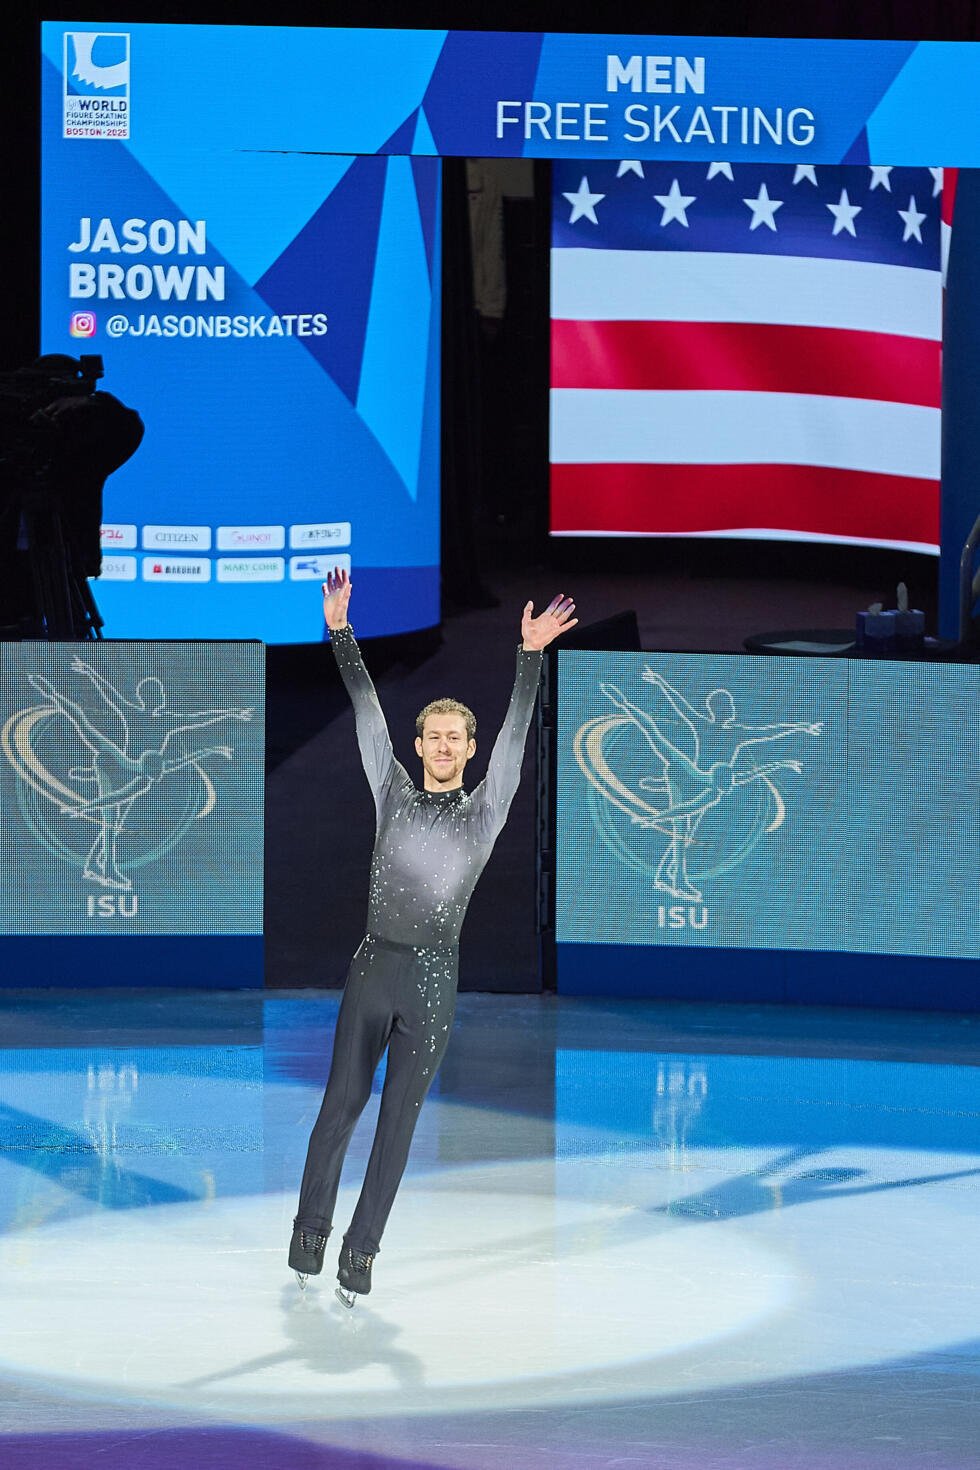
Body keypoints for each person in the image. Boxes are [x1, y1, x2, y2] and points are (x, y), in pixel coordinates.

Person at [290, 569, 576, 1304]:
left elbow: (517, 736)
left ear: (470, 750)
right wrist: (342, 635)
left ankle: (361, 1251)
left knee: (396, 1127)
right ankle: (309, 1235)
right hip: (373, 967)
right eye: (434, 735)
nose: (445, 745)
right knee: (340, 1107)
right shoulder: (390, 788)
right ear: (419, 745)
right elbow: (364, 710)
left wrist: (529, 658)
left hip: (432, 981)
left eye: (457, 737)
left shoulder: (486, 813)